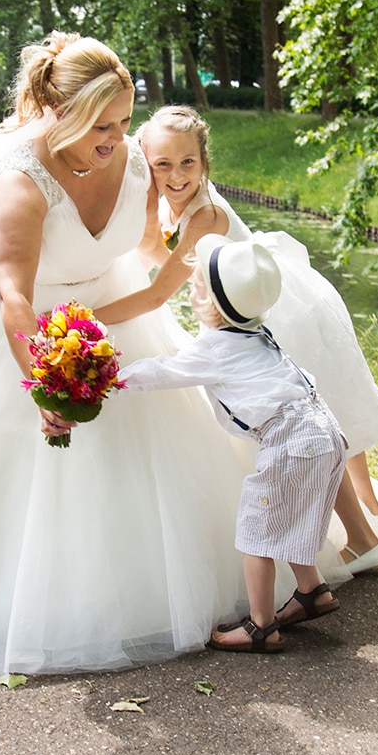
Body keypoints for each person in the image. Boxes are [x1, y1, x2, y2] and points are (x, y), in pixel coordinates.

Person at [0, 34, 289, 677]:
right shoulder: (18, 179)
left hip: (113, 312)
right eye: (101, 124)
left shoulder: (133, 160)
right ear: (57, 109)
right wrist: (47, 383)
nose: (117, 139)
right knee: (36, 477)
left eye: (125, 121)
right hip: (31, 333)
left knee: (166, 456)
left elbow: (148, 247)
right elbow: (13, 298)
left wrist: (214, 283)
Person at [121, 107, 378, 571]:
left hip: (270, 316)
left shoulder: (205, 214)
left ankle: (364, 536)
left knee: (306, 428)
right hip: (251, 310)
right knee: (322, 422)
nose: (176, 174)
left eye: (187, 162)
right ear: (147, 165)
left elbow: (157, 293)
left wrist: (81, 314)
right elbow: (162, 257)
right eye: (162, 164)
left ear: (204, 161)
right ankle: (368, 519)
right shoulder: (180, 205)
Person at [119, 235, 349, 653]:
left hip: (290, 439)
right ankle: (311, 590)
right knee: (293, 515)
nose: (191, 290)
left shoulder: (216, 346)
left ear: (213, 307)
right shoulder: (256, 332)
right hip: (324, 431)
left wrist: (111, 378)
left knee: (256, 531)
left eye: (197, 287)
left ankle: (261, 628)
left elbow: (163, 372)